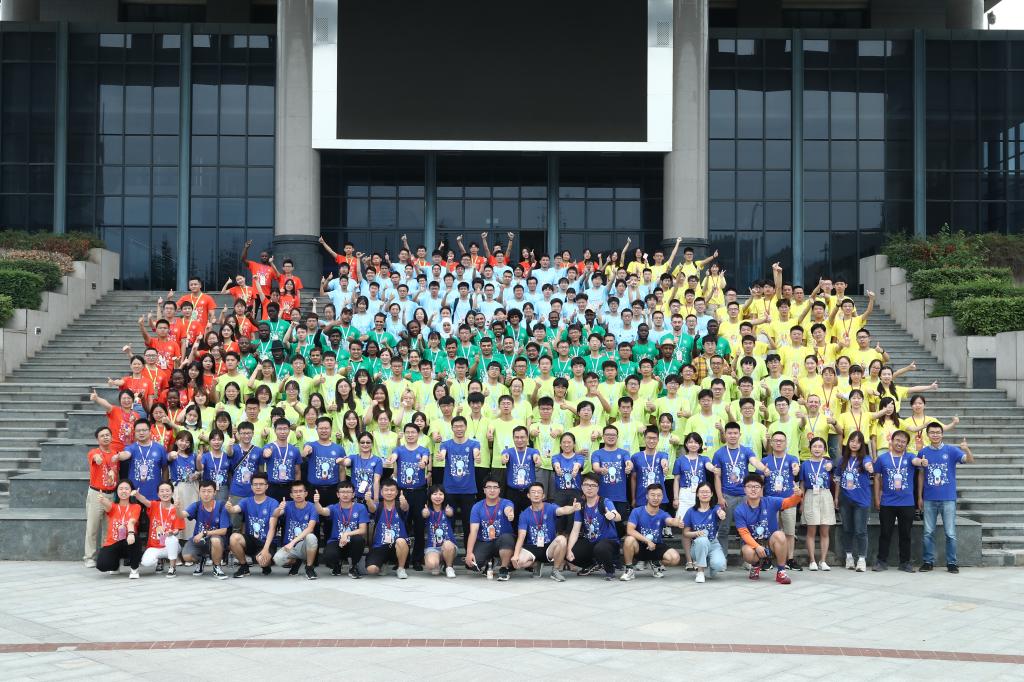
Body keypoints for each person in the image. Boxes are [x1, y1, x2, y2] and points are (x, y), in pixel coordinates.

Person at [914, 424, 974, 573]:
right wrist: (920, 496)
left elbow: (970, 460)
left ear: (942, 434)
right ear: (928, 434)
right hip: (929, 498)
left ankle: (952, 562)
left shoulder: (951, 450)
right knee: (928, 532)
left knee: (950, 533)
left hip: (948, 498)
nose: (935, 435)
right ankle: (928, 561)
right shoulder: (923, 452)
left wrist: (966, 449)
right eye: (932, 432)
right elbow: (920, 475)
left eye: (938, 432)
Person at [733, 473, 803, 585]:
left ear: (762, 489)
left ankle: (781, 571)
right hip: (753, 544)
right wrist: (756, 546)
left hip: (770, 542)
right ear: (744, 489)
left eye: (756, 486)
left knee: (780, 535)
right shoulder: (739, 510)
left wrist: (798, 495)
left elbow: (789, 502)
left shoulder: (770, 501)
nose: (753, 489)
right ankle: (755, 566)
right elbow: (744, 533)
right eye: (749, 486)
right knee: (747, 551)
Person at [511, 482, 577, 582]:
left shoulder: (550, 507)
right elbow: (521, 536)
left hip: (549, 547)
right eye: (533, 492)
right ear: (528, 495)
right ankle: (536, 564)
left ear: (543, 495)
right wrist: (515, 555)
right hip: (532, 547)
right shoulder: (524, 514)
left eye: (539, 492)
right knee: (518, 563)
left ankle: (555, 570)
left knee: (562, 539)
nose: (536, 494)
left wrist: (572, 508)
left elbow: (562, 510)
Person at [387, 422, 431, 571]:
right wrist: (391, 459)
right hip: (402, 492)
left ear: (418, 434)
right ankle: (402, 560)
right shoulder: (399, 449)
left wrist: (423, 463)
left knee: (419, 527)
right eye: (408, 432)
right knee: (402, 526)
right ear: (404, 434)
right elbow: (394, 456)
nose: (410, 435)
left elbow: (425, 458)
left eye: (413, 432)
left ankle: (417, 559)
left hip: (419, 492)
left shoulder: (423, 449)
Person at [620, 484, 684, 581]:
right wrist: (647, 541)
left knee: (675, 558)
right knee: (629, 539)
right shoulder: (637, 511)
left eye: (659, 495)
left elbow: (669, 520)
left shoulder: (663, 514)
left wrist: (676, 522)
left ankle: (656, 563)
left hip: (655, 546)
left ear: (662, 497)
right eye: (653, 495)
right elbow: (630, 530)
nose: (656, 498)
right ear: (647, 496)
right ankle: (629, 569)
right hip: (639, 546)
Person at [873, 430, 916, 573]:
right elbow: (877, 478)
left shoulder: (910, 457)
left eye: (903, 442)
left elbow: (916, 462)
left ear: (907, 444)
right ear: (891, 440)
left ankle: (905, 562)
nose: (900, 443)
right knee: (885, 533)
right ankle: (881, 561)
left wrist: (921, 461)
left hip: (907, 503)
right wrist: (877, 498)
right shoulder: (882, 458)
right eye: (897, 440)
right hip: (887, 502)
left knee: (906, 534)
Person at [566, 473, 621, 580]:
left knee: (601, 548)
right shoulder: (581, 506)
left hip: (609, 542)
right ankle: (592, 564)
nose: (589, 488)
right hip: (591, 541)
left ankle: (610, 571)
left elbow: (618, 516)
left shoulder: (604, 502)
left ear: (598, 488)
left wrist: (612, 515)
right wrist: (568, 550)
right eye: (586, 485)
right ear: (582, 487)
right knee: (569, 551)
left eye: (593, 485)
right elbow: (575, 530)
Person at [84, 426, 124, 567]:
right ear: (98, 439)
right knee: (92, 527)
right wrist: (97, 459)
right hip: (97, 493)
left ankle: (105, 556)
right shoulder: (94, 452)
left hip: (111, 494)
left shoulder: (115, 454)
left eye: (108, 435)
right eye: (102, 436)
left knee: (109, 528)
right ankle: (89, 557)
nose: (106, 437)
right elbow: (94, 458)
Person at [438, 415, 481, 547]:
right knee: (448, 521)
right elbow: (443, 452)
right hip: (450, 490)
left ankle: (469, 552)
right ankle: (449, 550)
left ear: (466, 427)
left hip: (468, 490)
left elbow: (476, 452)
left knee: (468, 523)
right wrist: (441, 455)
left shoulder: (474, 443)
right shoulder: (446, 444)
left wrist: (476, 456)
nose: (459, 429)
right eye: (456, 426)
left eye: (461, 426)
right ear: (452, 428)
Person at [225, 473, 279, 577]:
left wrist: (265, 549)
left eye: (261, 484)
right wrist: (229, 508)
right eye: (255, 484)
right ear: (251, 486)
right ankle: (244, 566)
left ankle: (266, 565)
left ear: (267, 486)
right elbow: (234, 509)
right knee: (234, 538)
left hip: (267, 542)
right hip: (251, 541)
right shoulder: (246, 501)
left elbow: (272, 528)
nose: (258, 487)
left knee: (263, 561)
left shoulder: (273, 503)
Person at [834, 430, 873, 572]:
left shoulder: (865, 459)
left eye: (858, 442)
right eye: (852, 441)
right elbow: (837, 480)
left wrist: (869, 467)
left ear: (862, 444)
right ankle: (849, 557)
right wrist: (836, 497)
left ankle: (862, 559)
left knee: (861, 531)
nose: (854, 444)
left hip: (861, 501)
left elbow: (869, 465)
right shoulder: (842, 460)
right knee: (847, 529)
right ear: (848, 442)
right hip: (845, 500)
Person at [316, 480, 370, 578]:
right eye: (342, 492)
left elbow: (363, 530)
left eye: (348, 492)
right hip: (337, 541)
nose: (345, 495)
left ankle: (353, 567)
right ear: (338, 494)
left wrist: (347, 534)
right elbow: (321, 511)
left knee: (359, 539)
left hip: (353, 542)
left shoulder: (360, 508)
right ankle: (337, 564)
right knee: (328, 555)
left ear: (353, 494)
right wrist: (316, 502)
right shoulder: (334, 508)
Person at [466, 477, 516, 581]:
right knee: (472, 565)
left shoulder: (506, 503)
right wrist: (469, 553)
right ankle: (491, 561)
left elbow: (508, 509)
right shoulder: (477, 507)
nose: (492, 490)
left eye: (495, 487)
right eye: (489, 487)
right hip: (484, 541)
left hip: (502, 541)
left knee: (507, 538)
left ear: (499, 490)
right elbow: (473, 531)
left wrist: (509, 513)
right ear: (484, 490)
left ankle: (504, 568)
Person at [135, 482, 187, 577]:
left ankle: (172, 567)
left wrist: (172, 533)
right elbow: (145, 501)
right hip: (155, 546)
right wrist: (137, 495)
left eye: (167, 491)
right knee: (146, 562)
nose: (165, 493)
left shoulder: (176, 509)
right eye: (162, 491)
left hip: (170, 546)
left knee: (172, 539)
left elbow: (177, 530)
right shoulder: (154, 505)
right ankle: (160, 560)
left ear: (172, 493)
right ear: (158, 494)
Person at [182, 480, 231, 579]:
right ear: (199, 492)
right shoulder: (196, 505)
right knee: (187, 556)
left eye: (209, 491)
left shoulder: (222, 506)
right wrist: (177, 509)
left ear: (215, 492)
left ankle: (217, 567)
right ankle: (201, 560)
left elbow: (224, 530)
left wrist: (204, 533)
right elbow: (182, 515)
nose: (206, 494)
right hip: (199, 540)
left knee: (215, 540)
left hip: (216, 541)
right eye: (203, 491)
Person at [95, 480, 144, 578]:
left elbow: (131, 521)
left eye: (126, 489)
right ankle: (115, 565)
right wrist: (102, 500)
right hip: (113, 543)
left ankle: (134, 569)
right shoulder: (113, 506)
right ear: (117, 491)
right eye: (120, 489)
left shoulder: (136, 507)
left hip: (129, 542)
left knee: (136, 539)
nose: (123, 491)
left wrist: (131, 533)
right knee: (102, 565)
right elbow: (108, 505)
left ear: (131, 491)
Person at [800, 437, 835, 571]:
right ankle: (812, 561)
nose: (817, 449)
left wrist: (831, 466)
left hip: (825, 494)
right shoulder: (805, 464)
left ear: (825, 449)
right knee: (811, 531)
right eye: (814, 446)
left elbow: (836, 475)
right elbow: (802, 484)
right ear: (810, 448)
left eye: (820, 447)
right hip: (810, 495)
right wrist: (801, 502)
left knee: (825, 531)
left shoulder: (828, 463)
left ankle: (823, 561)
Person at [272, 481, 320, 580]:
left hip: (304, 545)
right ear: (291, 495)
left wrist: (293, 542)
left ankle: (309, 568)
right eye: (295, 492)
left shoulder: (312, 507)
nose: (298, 494)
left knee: (311, 537)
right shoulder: (287, 505)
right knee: (278, 559)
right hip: (291, 547)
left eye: (300, 491)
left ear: (306, 493)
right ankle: (296, 562)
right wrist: (279, 508)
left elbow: (310, 528)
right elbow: (275, 515)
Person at [365, 479, 411, 578]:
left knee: (401, 541)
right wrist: (368, 500)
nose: (389, 493)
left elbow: (405, 507)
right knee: (371, 570)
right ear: (381, 492)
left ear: (397, 492)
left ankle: (401, 568)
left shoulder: (399, 505)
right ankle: (383, 564)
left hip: (397, 546)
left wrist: (404, 502)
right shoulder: (379, 506)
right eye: (386, 490)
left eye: (392, 490)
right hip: (380, 546)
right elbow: (372, 508)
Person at [683, 482, 728, 583]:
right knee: (702, 540)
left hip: (713, 543)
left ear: (711, 494)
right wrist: (696, 533)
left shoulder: (715, 508)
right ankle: (700, 572)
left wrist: (722, 514)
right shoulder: (691, 511)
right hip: (697, 545)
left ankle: (711, 566)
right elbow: (685, 533)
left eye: (707, 492)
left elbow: (720, 512)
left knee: (720, 565)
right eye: (702, 492)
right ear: (697, 494)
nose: (704, 494)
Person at [421, 485, 459, 578]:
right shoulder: (427, 510)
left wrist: (449, 512)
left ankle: (449, 567)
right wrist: (425, 513)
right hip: (433, 547)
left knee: (448, 544)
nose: (438, 497)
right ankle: (439, 562)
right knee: (431, 565)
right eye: (435, 494)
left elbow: (451, 513)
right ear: (430, 496)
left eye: (441, 494)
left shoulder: (448, 509)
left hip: (448, 547)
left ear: (444, 496)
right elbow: (424, 514)